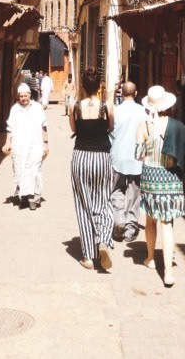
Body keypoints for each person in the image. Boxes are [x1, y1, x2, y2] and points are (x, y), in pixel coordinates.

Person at [136, 84, 185, 287]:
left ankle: (150, 258)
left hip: (150, 176)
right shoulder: (177, 126)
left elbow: (138, 155)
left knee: (151, 220)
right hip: (170, 178)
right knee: (167, 223)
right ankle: (168, 271)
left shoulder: (145, 126)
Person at [69, 68, 115, 271]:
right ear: (99, 86)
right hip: (102, 157)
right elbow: (110, 128)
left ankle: (88, 255)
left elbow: (74, 129)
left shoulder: (74, 106)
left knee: (83, 203)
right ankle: (103, 239)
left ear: (83, 86)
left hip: (81, 157)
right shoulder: (107, 106)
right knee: (104, 199)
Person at [2, 83, 48, 210]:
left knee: (35, 172)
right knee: (20, 171)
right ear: (18, 97)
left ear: (30, 95)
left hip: (35, 146)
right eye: (21, 96)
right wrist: (7, 142)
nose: (23, 98)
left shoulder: (38, 108)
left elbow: (44, 126)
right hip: (19, 147)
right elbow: (9, 127)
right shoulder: (15, 109)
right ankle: (23, 197)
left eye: (25, 96)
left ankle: (33, 199)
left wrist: (45, 144)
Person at [110, 81, 145, 243]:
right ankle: (130, 227)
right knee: (134, 192)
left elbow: (109, 133)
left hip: (118, 155)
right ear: (136, 93)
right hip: (137, 158)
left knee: (116, 189)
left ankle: (119, 219)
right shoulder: (143, 112)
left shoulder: (116, 111)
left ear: (122, 94)